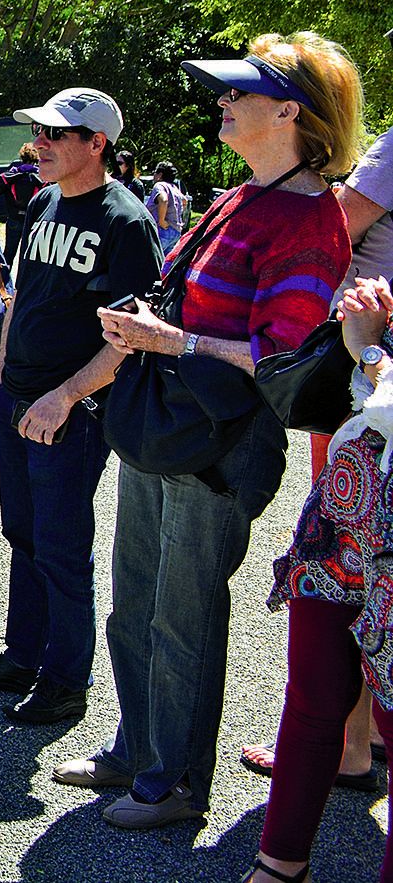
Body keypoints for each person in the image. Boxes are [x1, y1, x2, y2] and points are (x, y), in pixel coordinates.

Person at [57, 31, 360, 830]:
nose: (220, 102)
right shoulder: (241, 194)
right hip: (169, 426)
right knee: (133, 604)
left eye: (237, 92)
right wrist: (151, 325)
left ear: (287, 111)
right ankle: (134, 749)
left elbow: (281, 353)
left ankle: (174, 781)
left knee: (181, 614)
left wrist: (175, 340)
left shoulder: (307, 217)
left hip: (222, 444)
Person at [0, 89, 160, 724]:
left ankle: (66, 681)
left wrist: (64, 396)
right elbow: (21, 297)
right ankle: (24, 653)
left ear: (97, 145)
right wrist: (5, 371)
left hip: (73, 406)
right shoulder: (41, 202)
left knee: (62, 543)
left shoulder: (125, 220)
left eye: (56, 135)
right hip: (18, 395)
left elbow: (132, 335)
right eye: (38, 132)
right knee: (22, 530)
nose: (39, 144)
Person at [239, 120, 393, 793]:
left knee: (340, 564)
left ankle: (339, 742)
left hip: (367, 371)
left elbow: (329, 223)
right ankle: (355, 740)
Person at [245, 274, 393, 883]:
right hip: (346, 513)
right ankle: (277, 866)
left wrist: (370, 350)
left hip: (373, 523)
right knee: (311, 695)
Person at [0, 142, 46, 266]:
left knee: (8, 254)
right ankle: (23, 284)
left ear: (22, 157)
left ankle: (4, 283)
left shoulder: (12, 175)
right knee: (29, 256)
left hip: (13, 219)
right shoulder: (42, 177)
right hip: (32, 222)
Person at [147, 161, 189, 257]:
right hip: (176, 232)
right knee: (164, 265)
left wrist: (162, 220)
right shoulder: (174, 188)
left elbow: (164, 200)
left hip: (163, 230)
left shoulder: (159, 185)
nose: (153, 175)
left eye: (155, 172)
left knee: (150, 260)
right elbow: (184, 201)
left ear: (160, 175)